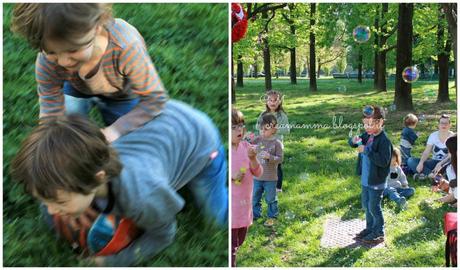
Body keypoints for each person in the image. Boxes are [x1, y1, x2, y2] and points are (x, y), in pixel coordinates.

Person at [10, 100, 228, 266]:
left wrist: (111, 262)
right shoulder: (68, 178)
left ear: (98, 178)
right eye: (45, 200)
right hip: (164, 120)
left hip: (201, 141)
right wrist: (57, 224)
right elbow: (50, 201)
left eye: (58, 202)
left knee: (217, 220)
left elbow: (163, 235)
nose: (49, 209)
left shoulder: (142, 195)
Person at [11, 3, 167, 142]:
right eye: (51, 52)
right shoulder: (47, 60)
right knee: (67, 134)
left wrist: (115, 130)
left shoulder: (126, 48)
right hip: (76, 88)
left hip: (122, 95)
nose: (64, 62)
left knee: (128, 141)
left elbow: (155, 99)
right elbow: (50, 102)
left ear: (97, 27)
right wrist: (51, 136)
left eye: (73, 49)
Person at [348, 105, 392, 244]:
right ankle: (370, 228)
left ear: (380, 123)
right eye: (365, 124)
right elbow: (356, 143)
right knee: (367, 206)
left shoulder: (384, 141)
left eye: (370, 124)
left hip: (376, 181)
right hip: (366, 179)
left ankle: (378, 232)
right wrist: (353, 140)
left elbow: (384, 161)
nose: (366, 127)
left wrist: (366, 150)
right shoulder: (367, 135)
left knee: (374, 207)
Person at [231, 108, 263, 267]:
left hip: (244, 207)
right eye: (234, 127)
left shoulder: (246, 147)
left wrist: (253, 159)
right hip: (230, 208)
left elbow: (258, 172)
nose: (240, 130)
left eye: (241, 125)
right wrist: (231, 176)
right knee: (231, 249)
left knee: (239, 242)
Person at [252, 114, 283, 227]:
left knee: (270, 199)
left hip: (270, 178)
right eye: (261, 129)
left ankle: (272, 216)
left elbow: (280, 159)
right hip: (256, 177)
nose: (262, 131)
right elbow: (248, 145)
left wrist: (270, 157)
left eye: (265, 129)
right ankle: (255, 215)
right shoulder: (258, 139)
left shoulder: (277, 143)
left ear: (274, 129)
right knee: (255, 197)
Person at [256, 90, 289, 192]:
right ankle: (265, 184)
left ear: (279, 102)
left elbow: (287, 130)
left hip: (276, 144)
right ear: (266, 102)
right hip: (265, 144)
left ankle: (278, 188)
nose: (273, 102)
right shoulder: (263, 114)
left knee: (277, 165)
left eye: (275, 100)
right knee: (265, 164)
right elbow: (257, 125)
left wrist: (274, 129)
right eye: (270, 100)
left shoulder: (281, 115)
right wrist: (263, 129)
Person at [407, 114, 454, 180]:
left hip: (447, 163)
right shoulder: (433, 135)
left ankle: (424, 175)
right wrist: (421, 162)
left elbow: (450, 155)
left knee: (452, 167)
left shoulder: (453, 137)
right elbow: (426, 152)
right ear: (438, 125)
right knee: (411, 161)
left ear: (450, 125)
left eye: (446, 123)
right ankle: (433, 176)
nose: (444, 125)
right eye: (442, 123)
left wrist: (440, 164)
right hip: (434, 162)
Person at [437, 135, 457, 207]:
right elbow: (444, 169)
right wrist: (436, 181)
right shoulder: (454, 158)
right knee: (449, 168)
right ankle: (453, 196)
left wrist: (453, 183)